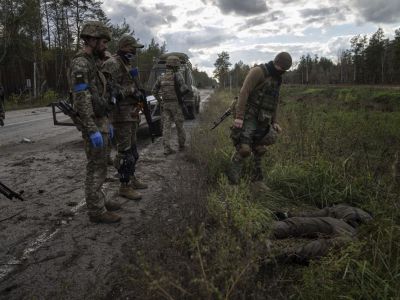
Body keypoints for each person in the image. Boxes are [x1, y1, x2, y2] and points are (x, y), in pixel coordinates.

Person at [70, 21, 121, 223]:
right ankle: (96, 211)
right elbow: (81, 98)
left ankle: (99, 200)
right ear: (91, 40)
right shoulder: (81, 63)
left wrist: (106, 123)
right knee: (96, 166)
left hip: (99, 118)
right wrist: (91, 129)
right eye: (103, 42)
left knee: (102, 164)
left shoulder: (93, 62)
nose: (106, 46)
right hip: (91, 121)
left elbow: (99, 92)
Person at [227, 52, 292, 185]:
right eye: (282, 69)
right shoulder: (258, 72)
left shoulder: (278, 78)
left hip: (264, 119)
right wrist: (239, 117)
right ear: (277, 63)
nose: (283, 72)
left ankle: (257, 181)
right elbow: (244, 92)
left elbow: (275, 101)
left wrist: (275, 121)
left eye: (285, 70)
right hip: (249, 115)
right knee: (244, 149)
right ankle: (232, 183)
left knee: (259, 149)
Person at [102, 34, 147, 200]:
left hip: (131, 113)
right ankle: (124, 185)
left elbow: (129, 85)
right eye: (132, 48)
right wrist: (130, 91)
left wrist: (139, 94)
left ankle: (131, 178)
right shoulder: (112, 64)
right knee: (125, 153)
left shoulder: (126, 63)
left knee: (133, 152)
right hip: (120, 115)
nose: (134, 51)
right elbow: (107, 92)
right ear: (124, 47)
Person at [270, 204, 373, 264]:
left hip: (339, 223)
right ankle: (287, 255)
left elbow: (313, 215)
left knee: (298, 224)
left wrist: (287, 215)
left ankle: (266, 229)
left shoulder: (344, 207)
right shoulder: (370, 220)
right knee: (328, 246)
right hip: (352, 233)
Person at [152, 55, 189, 155]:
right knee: (179, 126)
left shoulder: (161, 77)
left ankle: (166, 149)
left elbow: (154, 91)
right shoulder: (178, 75)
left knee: (166, 126)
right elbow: (185, 89)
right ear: (176, 65)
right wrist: (180, 97)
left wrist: (160, 101)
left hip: (165, 105)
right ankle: (181, 145)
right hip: (176, 104)